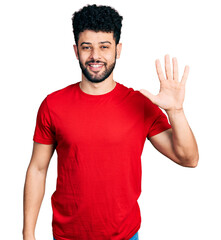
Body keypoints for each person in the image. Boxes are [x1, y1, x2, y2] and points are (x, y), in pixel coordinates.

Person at [22, 4, 199, 240]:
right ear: (76, 51)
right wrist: (28, 233)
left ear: (118, 49)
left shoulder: (140, 104)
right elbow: (37, 169)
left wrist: (176, 111)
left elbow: (189, 159)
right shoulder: (52, 105)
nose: (95, 56)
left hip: (124, 236)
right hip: (67, 236)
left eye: (104, 47)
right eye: (87, 47)